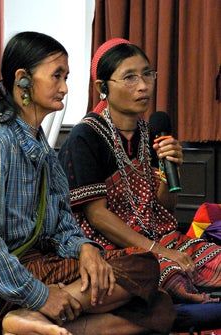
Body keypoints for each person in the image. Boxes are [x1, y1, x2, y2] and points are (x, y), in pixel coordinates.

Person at [0, 32, 175, 335]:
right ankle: (33, 313)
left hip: (37, 266)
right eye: (57, 76)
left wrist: (85, 249)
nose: (65, 88)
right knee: (139, 272)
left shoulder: (40, 145)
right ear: (23, 80)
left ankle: (37, 324)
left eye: (66, 76)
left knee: (159, 303)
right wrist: (41, 296)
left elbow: (62, 227)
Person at [58, 37, 221, 305]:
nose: (144, 85)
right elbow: (96, 215)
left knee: (213, 258)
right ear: (103, 87)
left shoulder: (150, 132)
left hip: (162, 237)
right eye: (130, 78)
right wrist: (158, 251)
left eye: (147, 74)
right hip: (115, 248)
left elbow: (165, 207)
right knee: (170, 276)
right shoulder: (86, 136)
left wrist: (172, 172)